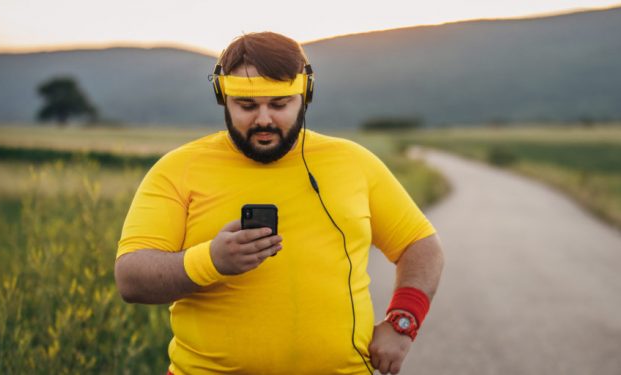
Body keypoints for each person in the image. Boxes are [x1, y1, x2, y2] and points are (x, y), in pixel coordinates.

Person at [114, 31, 444, 375]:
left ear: (305, 95)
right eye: (247, 106)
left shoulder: (353, 162)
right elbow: (131, 278)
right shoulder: (177, 169)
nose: (264, 119)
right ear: (222, 98)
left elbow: (420, 245)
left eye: (279, 104)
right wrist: (211, 260)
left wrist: (403, 323)